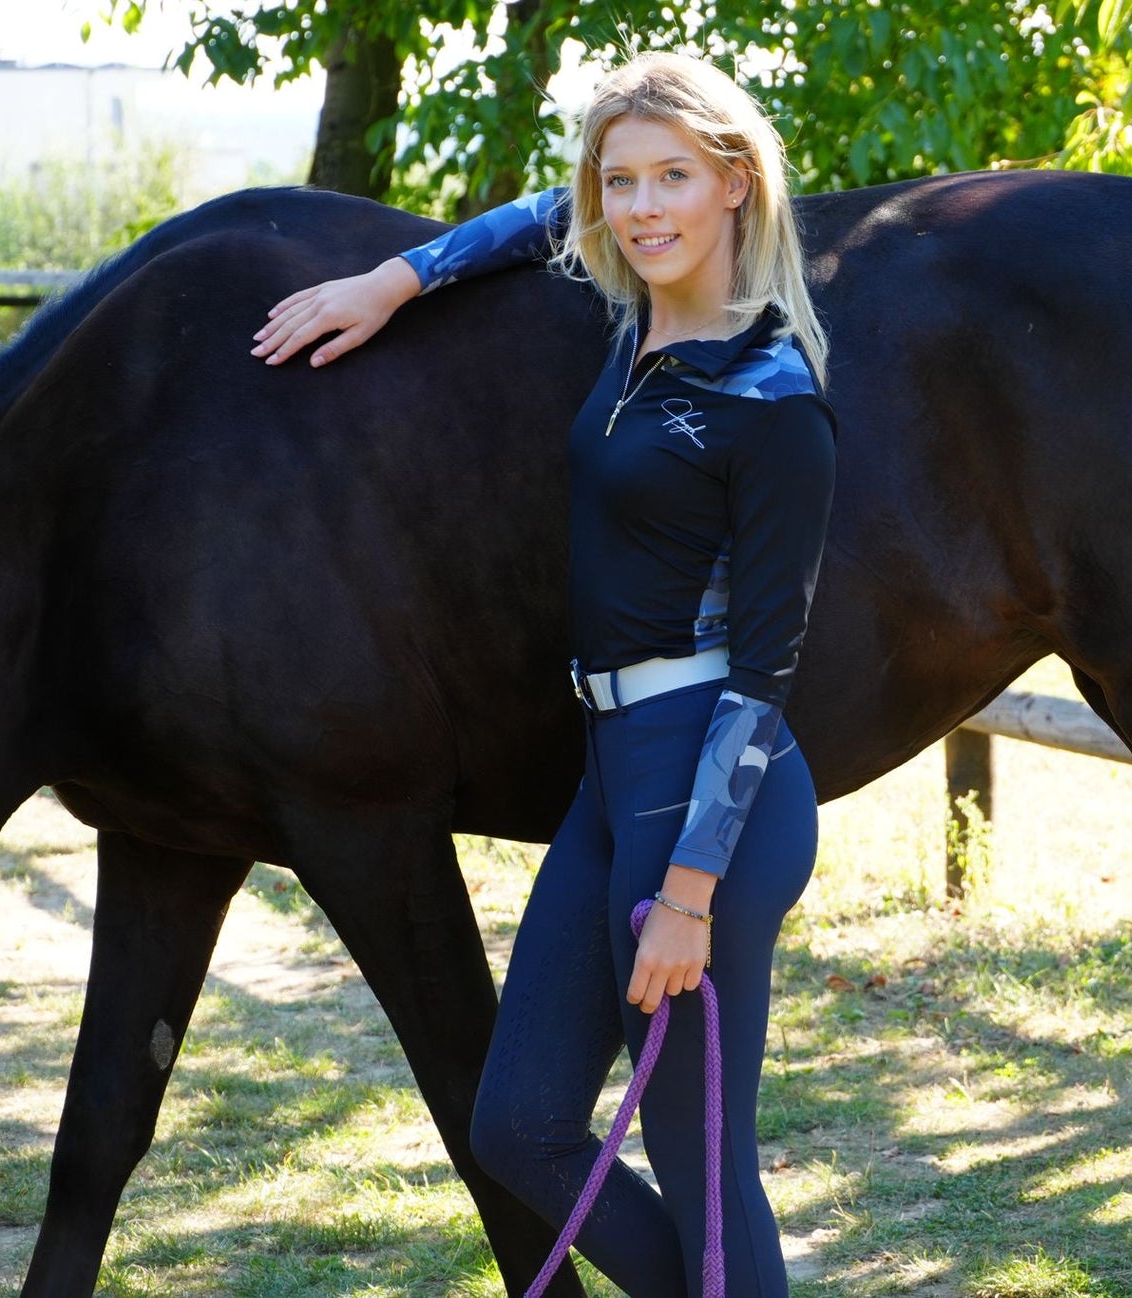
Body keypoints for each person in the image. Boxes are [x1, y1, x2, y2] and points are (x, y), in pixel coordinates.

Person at [251, 51, 836, 1298]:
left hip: (708, 799)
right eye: (621, 181)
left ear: (736, 182)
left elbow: (769, 667)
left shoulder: (770, 393)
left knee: (706, 1175)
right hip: (611, 776)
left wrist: (689, 888)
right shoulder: (635, 327)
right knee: (516, 1123)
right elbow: (538, 220)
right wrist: (395, 276)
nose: (641, 207)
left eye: (673, 175)